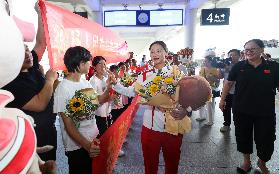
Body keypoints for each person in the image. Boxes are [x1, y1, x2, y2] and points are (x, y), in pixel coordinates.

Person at [111, 41, 192, 174]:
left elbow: (189, 95)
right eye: (152, 51)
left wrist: (186, 110)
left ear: (166, 53)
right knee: (150, 165)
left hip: (173, 126)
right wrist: (115, 84)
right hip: (150, 127)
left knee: (172, 164)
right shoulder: (145, 75)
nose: (155, 54)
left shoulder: (176, 73)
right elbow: (131, 91)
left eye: (159, 51)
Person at [2, 3, 58, 161]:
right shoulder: (12, 82)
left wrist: (40, 14)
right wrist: (49, 81)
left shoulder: (31, 67)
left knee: (50, 165)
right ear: (14, 57)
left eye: (27, 49)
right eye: (22, 52)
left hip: (48, 130)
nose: (28, 53)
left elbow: (41, 43)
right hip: (32, 135)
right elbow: (39, 104)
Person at [219, 39, 279, 174]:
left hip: (265, 111)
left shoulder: (274, 67)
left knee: (266, 138)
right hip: (242, 109)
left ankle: (262, 162)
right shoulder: (239, 66)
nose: (248, 52)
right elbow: (228, 83)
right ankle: (246, 162)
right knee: (243, 136)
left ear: (261, 50)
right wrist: (222, 100)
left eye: (252, 49)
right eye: (246, 50)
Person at [53, 46, 111, 174]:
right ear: (80, 64)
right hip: (77, 145)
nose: (90, 64)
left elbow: (96, 101)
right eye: (88, 62)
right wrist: (86, 145)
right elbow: (68, 124)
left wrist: (110, 87)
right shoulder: (63, 89)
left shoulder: (84, 82)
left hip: (93, 137)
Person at [89, 56, 112, 137]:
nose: (103, 66)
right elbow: (94, 101)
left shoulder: (106, 78)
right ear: (94, 67)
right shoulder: (92, 81)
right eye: (100, 64)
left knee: (109, 133)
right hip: (99, 114)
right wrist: (109, 97)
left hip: (108, 111)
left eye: (104, 64)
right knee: (103, 136)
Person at [197, 55, 222, 126]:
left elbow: (218, 81)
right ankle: (202, 116)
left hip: (211, 89)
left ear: (210, 61)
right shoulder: (202, 69)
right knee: (201, 103)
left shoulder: (215, 70)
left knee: (210, 105)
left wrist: (211, 78)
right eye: (204, 61)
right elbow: (199, 78)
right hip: (202, 88)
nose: (204, 62)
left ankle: (210, 121)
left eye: (206, 61)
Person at [220, 49, 241, 132]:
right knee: (226, 109)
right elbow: (220, 76)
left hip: (239, 92)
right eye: (230, 55)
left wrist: (231, 69)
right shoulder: (226, 65)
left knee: (238, 110)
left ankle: (240, 126)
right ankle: (226, 124)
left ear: (239, 56)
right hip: (227, 91)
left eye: (233, 55)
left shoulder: (242, 65)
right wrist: (220, 68)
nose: (231, 57)